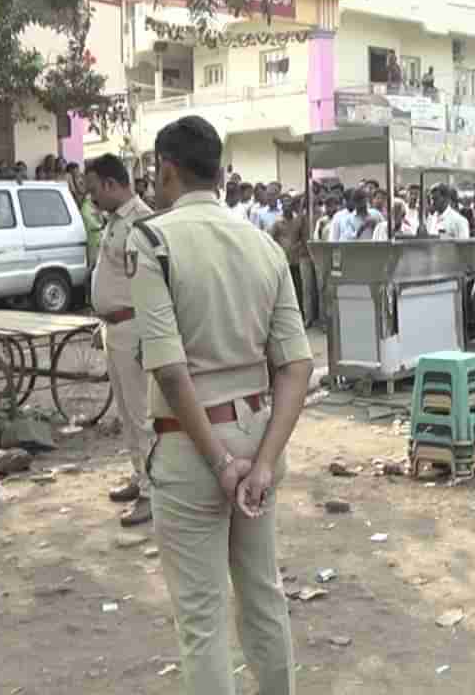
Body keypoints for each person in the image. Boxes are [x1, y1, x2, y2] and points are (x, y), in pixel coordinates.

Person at [127, 115, 312, 695]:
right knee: (263, 594)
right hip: (258, 433)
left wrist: (220, 464)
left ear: (167, 169)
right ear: (221, 172)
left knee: (202, 619)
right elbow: (297, 365)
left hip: (191, 448)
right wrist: (258, 463)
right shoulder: (262, 244)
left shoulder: (152, 240)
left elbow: (170, 369)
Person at [84, 154, 156, 528]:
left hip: (134, 329)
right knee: (127, 414)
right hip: (116, 327)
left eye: (95, 190)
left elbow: (148, 284)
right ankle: (139, 475)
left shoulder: (140, 221)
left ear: (112, 185)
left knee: (143, 413)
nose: (92, 198)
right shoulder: (115, 221)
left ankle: (152, 493)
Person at [270, 195, 308, 317]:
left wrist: (298, 247)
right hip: (282, 261)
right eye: (285, 205)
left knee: (298, 289)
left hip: (296, 261)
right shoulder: (277, 223)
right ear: (282, 207)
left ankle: (300, 314)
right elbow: (270, 240)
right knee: (284, 290)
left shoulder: (298, 221)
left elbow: (304, 238)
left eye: (289, 205)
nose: (287, 207)